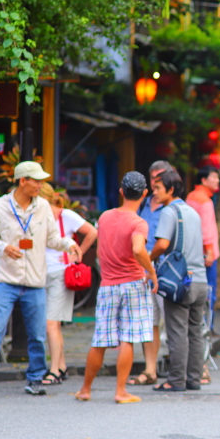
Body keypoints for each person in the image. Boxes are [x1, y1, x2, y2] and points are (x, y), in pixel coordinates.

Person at [0, 161, 81, 398]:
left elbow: (53, 239)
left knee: (38, 334)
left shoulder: (43, 207)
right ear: (23, 181)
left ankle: (35, 379)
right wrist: (3, 248)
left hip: (35, 281)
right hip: (6, 279)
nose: (41, 185)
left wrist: (70, 243)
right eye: (37, 181)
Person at [74, 172, 158, 404]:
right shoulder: (139, 222)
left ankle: (85, 390)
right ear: (144, 194)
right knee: (128, 339)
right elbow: (138, 249)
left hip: (108, 285)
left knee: (100, 340)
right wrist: (151, 272)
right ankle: (121, 392)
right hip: (132, 283)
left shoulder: (105, 217)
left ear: (121, 192)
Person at [150, 170, 209, 392]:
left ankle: (175, 380)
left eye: (158, 188)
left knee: (176, 333)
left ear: (171, 189)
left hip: (180, 283)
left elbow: (163, 245)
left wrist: (147, 260)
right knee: (195, 332)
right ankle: (193, 380)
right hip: (200, 281)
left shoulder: (168, 212)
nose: (154, 193)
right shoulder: (192, 212)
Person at [39, 183, 97, 386]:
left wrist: (77, 253)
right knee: (53, 324)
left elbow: (92, 232)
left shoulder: (66, 216)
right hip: (41, 274)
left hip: (62, 274)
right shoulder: (37, 218)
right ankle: (61, 366)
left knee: (51, 324)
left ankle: (54, 370)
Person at [130, 160, 173, 387]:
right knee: (149, 321)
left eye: (160, 179)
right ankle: (150, 369)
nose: (155, 184)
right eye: (152, 179)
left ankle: (184, 368)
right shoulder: (144, 204)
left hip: (166, 269)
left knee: (173, 320)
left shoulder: (175, 207)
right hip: (143, 269)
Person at [186, 166, 220, 328]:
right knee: (208, 292)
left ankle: (195, 326)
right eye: (214, 177)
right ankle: (206, 328)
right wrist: (210, 252)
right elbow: (206, 229)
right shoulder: (205, 201)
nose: (217, 180)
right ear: (203, 180)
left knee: (192, 290)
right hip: (205, 254)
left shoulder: (191, 196)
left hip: (191, 253)